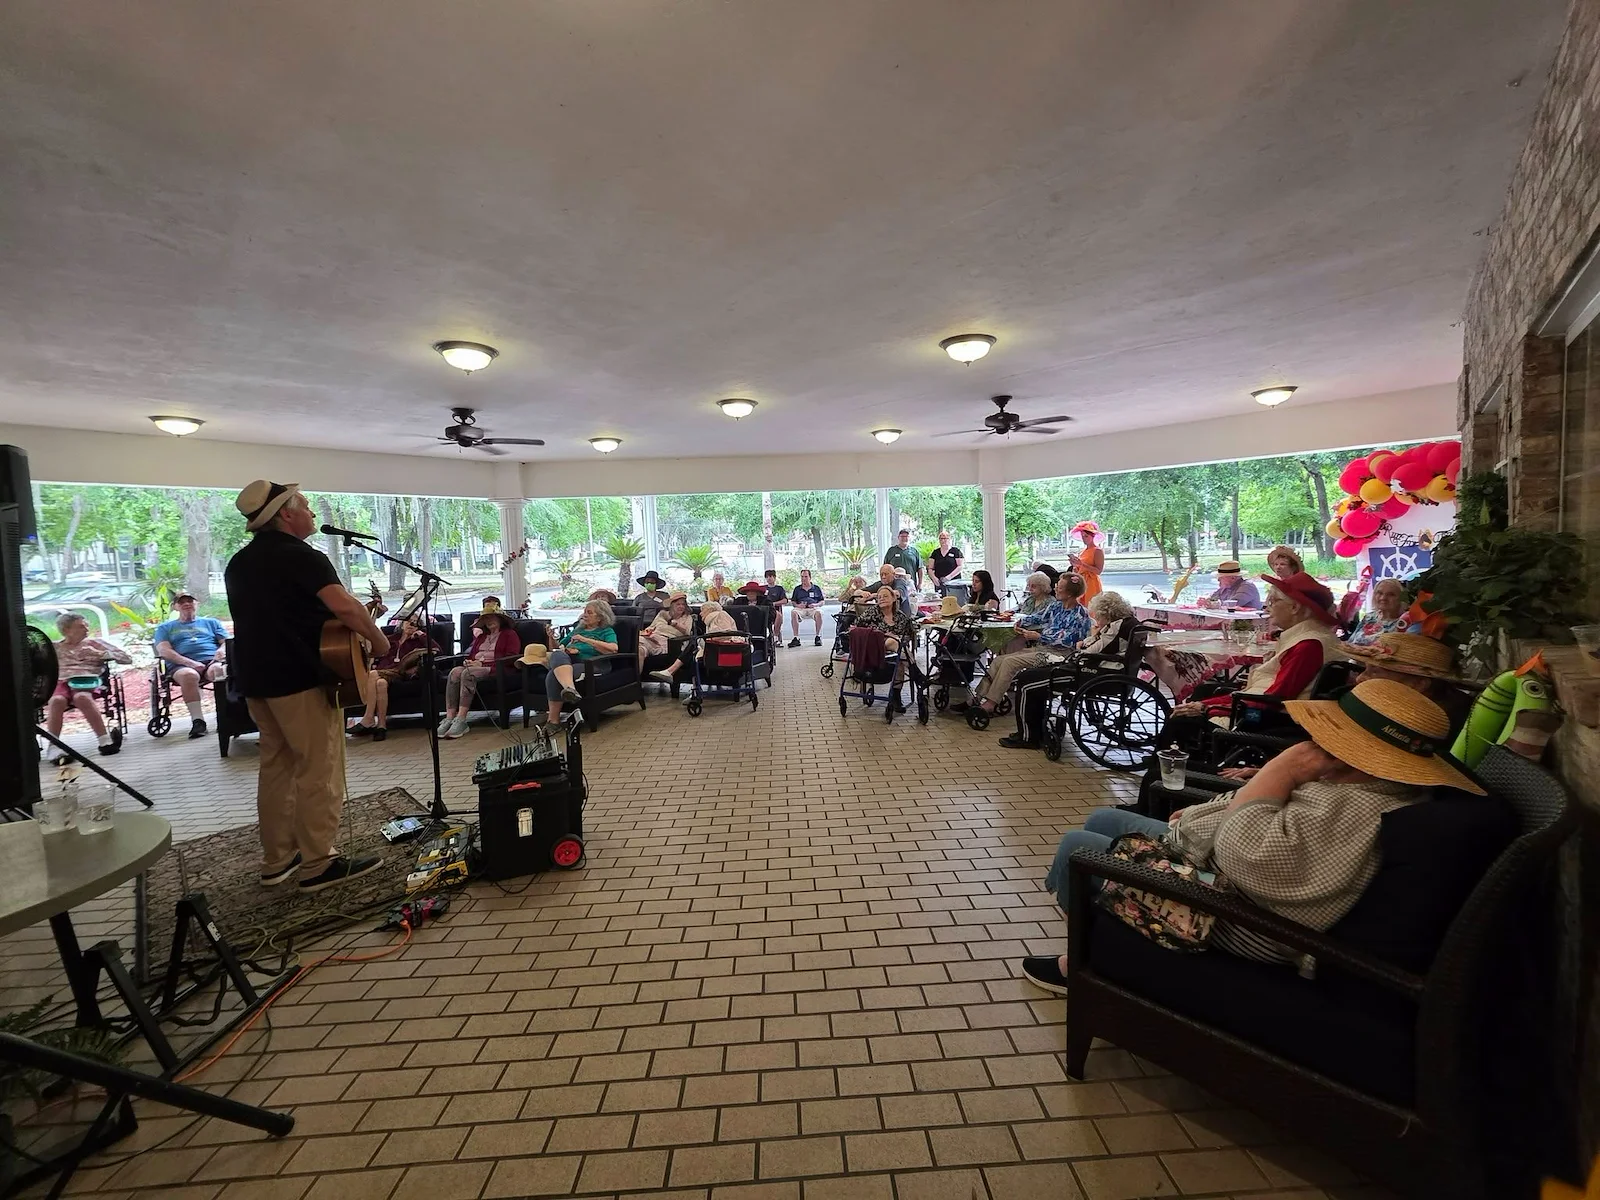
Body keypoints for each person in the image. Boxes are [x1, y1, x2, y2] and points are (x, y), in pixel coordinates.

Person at [1023, 680, 1480, 994]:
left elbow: (1245, 858)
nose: (1318, 742)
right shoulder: (1353, 784)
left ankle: (1087, 964)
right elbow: (1225, 828)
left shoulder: (1358, 808)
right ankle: (1100, 940)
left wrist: (1284, 769)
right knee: (1106, 818)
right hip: (1229, 879)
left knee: (1077, 848)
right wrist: (1217, 817)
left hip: (1237, 917)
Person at [225, 480, 389, 893]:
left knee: (276, 767)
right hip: (300, 678)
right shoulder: (301, 556)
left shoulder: (239, 563)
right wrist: (379, 639)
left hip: (257, 680)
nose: (313, 514)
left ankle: (277, 860)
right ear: (285, 514)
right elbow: (344, 606)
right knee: (319, 767)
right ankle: (319, 862)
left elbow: (281, 616)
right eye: (307, 507)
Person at [1150, 570, 1346, 756]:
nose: (1267, 605)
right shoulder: (1311, 638)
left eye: (1273, 600)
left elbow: (1277, 696)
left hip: (1272, 717)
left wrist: (1206, 706)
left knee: (1180, 719)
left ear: (1295, 608)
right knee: (1204, 691)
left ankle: (1165, 776)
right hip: (1272, 707)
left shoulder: (1308, 645)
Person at [999, 589, 1137, 751]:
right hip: (1100, 670)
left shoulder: (1114, 628)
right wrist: (1086, 643)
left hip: (1087, 672)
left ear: (1106, 613)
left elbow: (1092, 651)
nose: (1097, 619)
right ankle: (1037, 730)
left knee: (1026, 681)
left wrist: (1082, 647)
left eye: (1098, 616)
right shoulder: (1123, 624)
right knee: (1033, 677)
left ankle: (1028, 736)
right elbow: (1094, 644)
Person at [974, 573, 1092, 718]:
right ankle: (977, 698)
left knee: (1010, 662)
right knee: (999, 660)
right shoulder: (1056, 606)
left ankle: (990, 704)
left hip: (1060, 655)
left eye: (1060, 587)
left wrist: (1040, 636)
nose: (1055, 589)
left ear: (1070, 593)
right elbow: (1038, 617)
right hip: (1043, 649)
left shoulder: (1080, 614)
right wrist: (1019, 623)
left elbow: (1069, 641)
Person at [45, 612, 132, 761]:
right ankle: (53, 747)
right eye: (81, 626)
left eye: (86, 625)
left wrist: (100, 654)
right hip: (60, 681)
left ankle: (104, 741)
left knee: (82, 697)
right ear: (66, 630)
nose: (86, 629)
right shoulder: (54, 647)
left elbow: (126, 659)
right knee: (56, 700)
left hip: (86, 681)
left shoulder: (95, 643)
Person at [153, 592, 229, 739]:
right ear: (175, 607)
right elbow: (164, 650)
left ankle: (225, 717)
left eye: (190, 600)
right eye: (182, 602)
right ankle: (198, 721)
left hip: (211, 661)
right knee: (189, 675)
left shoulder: (211, 623)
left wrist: (221, 651)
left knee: (219, 671)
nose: (187, 604)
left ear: (196, 604)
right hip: (181, 665)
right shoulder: (165, 628)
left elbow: (226, 642)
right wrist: (190, 663)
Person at [439, 609, 521, 738]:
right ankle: (449, 718)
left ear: (500, 619)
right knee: (455, 672)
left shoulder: (509, 634)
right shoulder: (481, 637)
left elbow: (512, 657)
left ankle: (461, 720)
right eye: (486, 619)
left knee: (468, 673)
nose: (489, 621)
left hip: (497, 669)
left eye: (492, 618)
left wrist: (482, 665)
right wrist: (470, 662)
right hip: (476, 667)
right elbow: (472, 656)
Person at [348, 614, 431, 741]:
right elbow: (373, 650)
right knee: (380, 683)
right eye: (409, 622)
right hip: (384, 672)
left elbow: (437, 649)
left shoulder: (417, 640)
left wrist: (421, 635)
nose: (411, 625)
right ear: (401, 624)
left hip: (400, 671)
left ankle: (368, 718)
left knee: (372, 674)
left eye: (415, 623)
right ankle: (381, 726)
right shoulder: (391, 639)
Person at [544, 598, 618, 724]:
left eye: (589, 612)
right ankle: (570, 689)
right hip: (571, 662)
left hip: (594, 664)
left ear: (600, 617)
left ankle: (553, 721)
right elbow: (557, 647)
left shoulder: (606, 631)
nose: (585, 615)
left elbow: (614, 648)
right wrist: (551, 637)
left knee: (553, 675)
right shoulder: (578, 629)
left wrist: (585, 640)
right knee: (557, 655)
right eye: (584, 611)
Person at [854, 579, 921, 711]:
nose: (882, 599)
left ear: (893, 598)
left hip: (896, 650)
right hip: (874, 647)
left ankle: (896, 696)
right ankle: (916, 675)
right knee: (893, 641)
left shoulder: (900, 616)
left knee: (900, 659)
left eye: (885, 596)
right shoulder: (872, 613)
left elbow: (910, 633)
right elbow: (857, 628)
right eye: (879, 597)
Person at [650, 600, 740, 684]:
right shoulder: (711, 620)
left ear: (709, 609)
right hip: (716, 647)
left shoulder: (721, 615)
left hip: (726, 648)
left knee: (694, 642)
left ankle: (671, 671)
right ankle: (693, 690)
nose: (700, 613)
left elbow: (725, 634)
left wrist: (708, 639)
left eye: (702, 610)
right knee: (693, 651)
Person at [1349, 578, 1419, 645]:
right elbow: (1350, 642)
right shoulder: (1369, 617)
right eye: (1379, 593)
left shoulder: (1407, 622)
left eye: (1391, 594)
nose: (1383, 598)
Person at [638, 590, 694, 669]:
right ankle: (635, 679)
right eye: (678, 604)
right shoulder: (662, 613)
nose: (681, 606)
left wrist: (674, 623)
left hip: (667, 643)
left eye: (683, 604)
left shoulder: (687, 617)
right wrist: (647, 631)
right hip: (652, 639)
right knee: (639, 649)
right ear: (671, 605)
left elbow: (687, 632)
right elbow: (651, 627)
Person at [1196, 561, 1262, 610]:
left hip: (1248, 624)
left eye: (1221, 577)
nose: (1218, 580)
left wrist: (1213, 604)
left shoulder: (1247, 586)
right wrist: (1205, 599)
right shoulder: (1225, 588)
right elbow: (1213, 598)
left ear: (1233, 578)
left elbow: (1233, 604)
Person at [1067, 522, 1104, 604]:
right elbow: (1079, 568)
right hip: (1081, 581)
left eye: (1086, 536)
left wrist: (1082, 564)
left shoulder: (1097, 551)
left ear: (1093, 536)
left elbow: (1099, 571)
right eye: (1082, 536)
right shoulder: (1083, 551)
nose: (1084, 538)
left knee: (1091, 606)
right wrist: (1075, 565)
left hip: (1091, 583)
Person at [788, 569, 824, 646]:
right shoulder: (797, 589)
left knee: (819, 613)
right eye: (802, 577)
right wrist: (798, 605)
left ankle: (818, 636)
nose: (803, 578)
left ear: (810, 577)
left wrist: (816, 605)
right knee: (793, 612)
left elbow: (822, 601)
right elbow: (793, 601)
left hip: (813, 608)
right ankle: (796, 638)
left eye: (806, 576)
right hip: (801, 608)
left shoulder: (816, 588)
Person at [762, 570, 788, 636]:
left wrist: (774, 603)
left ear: (774, 577)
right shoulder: (763, 588)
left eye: (770, 576)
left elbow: (785, 600)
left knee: (778, 616)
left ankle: (776, 636)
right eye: (767, 577)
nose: (768, 578)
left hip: (775, 610)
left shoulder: (779, 589)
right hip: (764, 610)